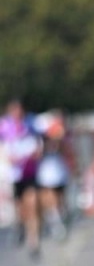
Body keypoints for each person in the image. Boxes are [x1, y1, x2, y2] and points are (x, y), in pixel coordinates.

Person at [0, 99, 42, 257]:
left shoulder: (30, 125)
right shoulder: (4, 127)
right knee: (21, 209)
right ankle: (20, 226)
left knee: (33, 204)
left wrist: (36, 154)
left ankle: (34, 241)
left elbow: (39, 144)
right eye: (14, 110)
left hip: (30, 173)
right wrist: (6, 157)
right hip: (13, 175)